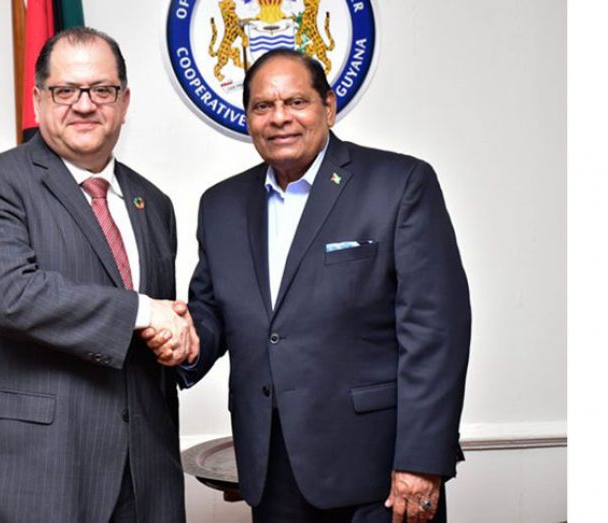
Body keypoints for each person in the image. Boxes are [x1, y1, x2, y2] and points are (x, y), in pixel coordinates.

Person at [145, 49, 471, 522]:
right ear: (248, 117)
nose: (279, 118)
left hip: (379, 478)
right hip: (272, 476)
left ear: (329, 108)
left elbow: (436, 331)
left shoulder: (399, 184)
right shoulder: (221, 206)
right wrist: (184, 340)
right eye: (262, 106)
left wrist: (421, 462)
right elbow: (212, 312)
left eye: (296, 102)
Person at [0, 27, 196, 523]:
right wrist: (144, 311)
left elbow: (149, 336)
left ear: (124, 102)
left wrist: (178, 342)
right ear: (39, 99)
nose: (85, 105)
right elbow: (12, 297)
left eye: (101, 90)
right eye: (66, 90)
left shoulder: (154, 203)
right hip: (38, 480)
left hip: (146, 482)